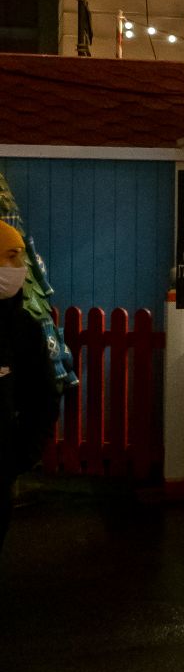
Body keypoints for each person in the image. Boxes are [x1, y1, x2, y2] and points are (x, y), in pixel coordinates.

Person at [0, 220, 56, 555]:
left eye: (20, 257)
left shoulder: (24, 329)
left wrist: (17, 458)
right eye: (10, 256)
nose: (19, 268)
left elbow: (43, 399)